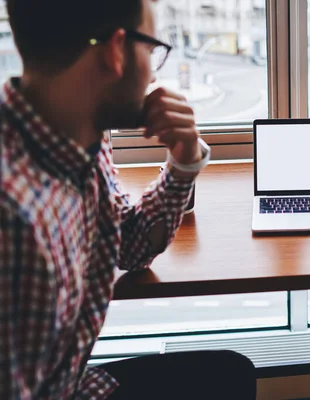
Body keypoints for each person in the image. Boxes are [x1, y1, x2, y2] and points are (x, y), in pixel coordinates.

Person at [0, 0, 255, 399]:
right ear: (116, 51)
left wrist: (185, 157)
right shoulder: (13, 219)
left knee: (230, 374)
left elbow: (132, 247)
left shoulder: (81, 133)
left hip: (68, 382)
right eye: (151, 50)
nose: (153, 72)